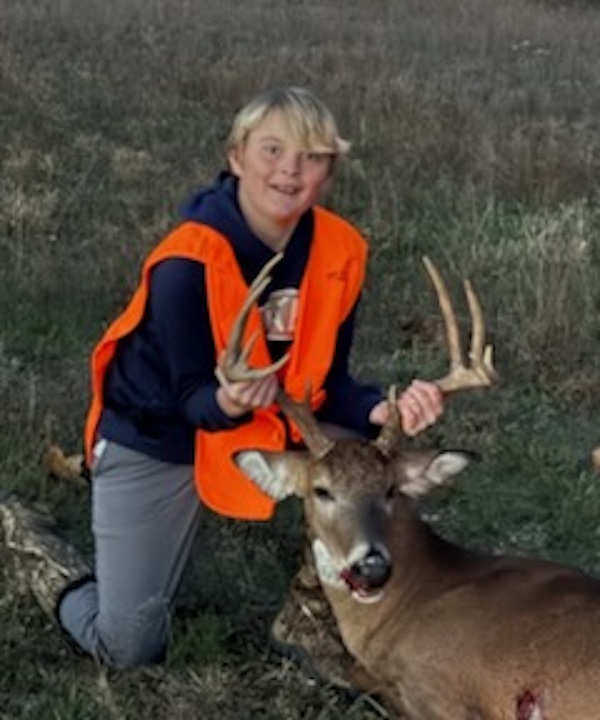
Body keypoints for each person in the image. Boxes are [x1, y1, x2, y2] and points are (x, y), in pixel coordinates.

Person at [0, 86, 443, 678]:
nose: (289, 170)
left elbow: (330, 384)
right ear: (236, 157)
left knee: (375, 465)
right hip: (160, 437)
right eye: (272, 150)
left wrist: (380, 411)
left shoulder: (338, 251)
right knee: (127, 647)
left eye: (311, 156)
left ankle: (309, 618)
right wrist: (227, 400)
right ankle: (33, 547)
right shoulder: (186, 261)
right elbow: (191, 399)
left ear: (329, 172)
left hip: (268, 423)